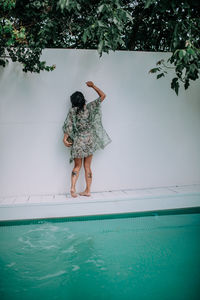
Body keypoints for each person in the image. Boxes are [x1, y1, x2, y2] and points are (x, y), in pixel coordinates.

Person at [62, 81, 112, 198]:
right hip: (89, 140)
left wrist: (65, 138)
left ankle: (73, 188)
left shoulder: (72, 111)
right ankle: (88, 190)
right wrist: (93, 86)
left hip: (79, 141)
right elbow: (103, 96)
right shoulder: (90, 107)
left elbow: (68, 125)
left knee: (77, 166)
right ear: (83, 99)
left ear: (73, 101)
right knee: (87, 167)